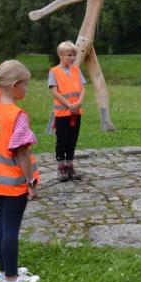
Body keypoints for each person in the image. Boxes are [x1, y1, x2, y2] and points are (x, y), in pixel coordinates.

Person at [0, 60, 41, 282]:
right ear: (15, 86)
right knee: (11, 228)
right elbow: (22, 154)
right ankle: (13, 279)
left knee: (2, 224)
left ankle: (4, 271)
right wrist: (31, 182)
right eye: (26, 84)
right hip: (14, 183)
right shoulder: (17, 115)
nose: (27, 89)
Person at [48, 41, 86, 182]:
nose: (72, 58)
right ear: (61, 55)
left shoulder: (77, 70)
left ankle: (70, 166)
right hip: (62, 114)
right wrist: (69, 105)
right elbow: (54, 92)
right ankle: (61, 167)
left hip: (76, 113)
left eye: (74, 55)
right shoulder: (54, 72)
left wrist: (79, 102)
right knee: (61, 141)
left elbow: (83, 89)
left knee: (72, 140)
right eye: (69, 55)